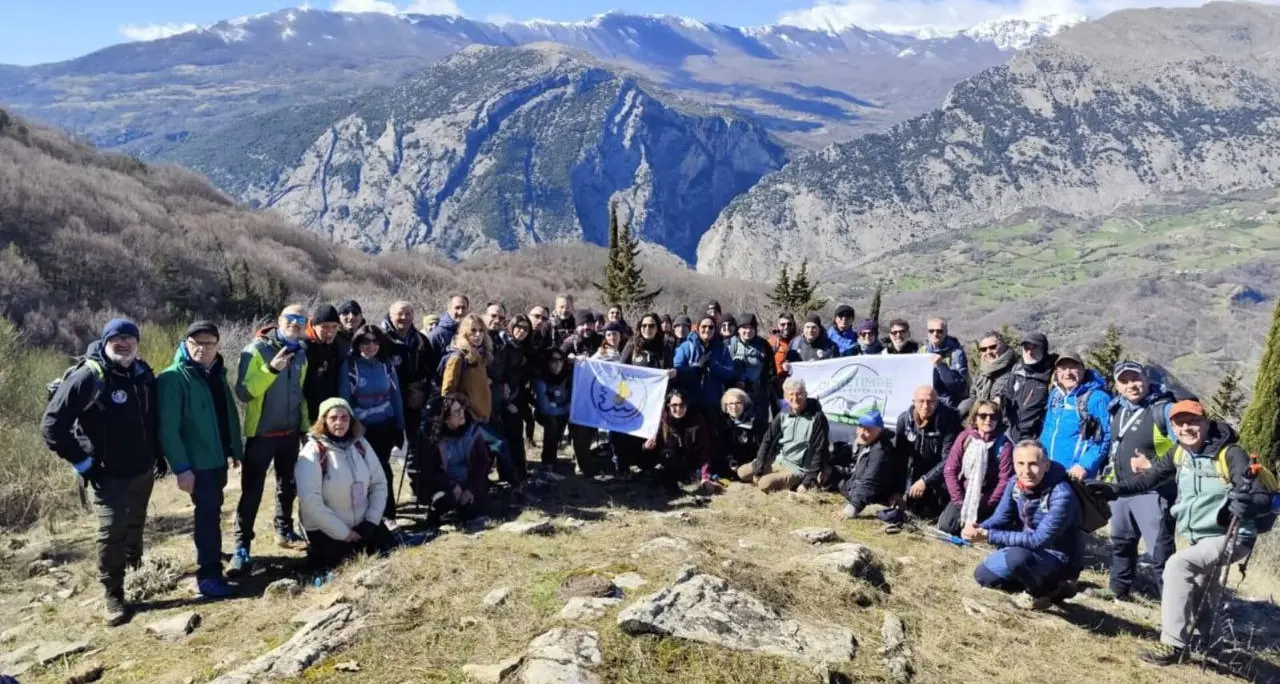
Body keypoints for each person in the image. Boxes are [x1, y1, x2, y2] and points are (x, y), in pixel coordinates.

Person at [1088, 400, 1274, 666]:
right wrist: (1113, 490)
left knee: (1177, 565)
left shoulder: (1230, 454)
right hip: (1201, 537)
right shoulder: (1179, 453)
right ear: (1173, 427)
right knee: (1199, 586)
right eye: (1179, 423)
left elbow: (1261, 498)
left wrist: (1244, 503)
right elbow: (1148, 479)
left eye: (1194, 421)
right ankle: (1212, 646)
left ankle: (1173, 645)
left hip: (1234, 536)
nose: (1187, 427)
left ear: (1206, 423)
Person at [42, 318, 162, 625]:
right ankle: (113, 594)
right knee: (111, 533)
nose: (123, 343)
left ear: (137, 342)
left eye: (129, 338)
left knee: (136, 520)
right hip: (106, 474)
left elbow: (150, 418)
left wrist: (159, 454)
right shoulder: (89, 376)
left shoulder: (143, 373)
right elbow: (52, 426)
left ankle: (135, 567)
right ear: (106, 341)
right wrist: (83, 463)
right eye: (116, 338)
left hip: (142, 468)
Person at [156, 321, 243, 599]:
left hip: (216, 458)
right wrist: (182, 468)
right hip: (197, 463)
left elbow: (225, 413)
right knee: (206, 516)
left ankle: (212, 557)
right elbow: (168, 429)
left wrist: (234, 450)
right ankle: (208, 575)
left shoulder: (216, 373)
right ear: (186, 344)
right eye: (196, 343)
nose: (202, 349)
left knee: (213, 510)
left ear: (217, 346)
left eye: (208, 343)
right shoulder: (173, 378)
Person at [232, 305, 310, 572]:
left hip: (289, 433)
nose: (296, 324)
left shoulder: (301, 354)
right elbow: (243, 392)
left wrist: (305, 426)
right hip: (262, 433)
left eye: (301, 320)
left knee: (287, 486)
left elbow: (299, 394)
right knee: (251, 492)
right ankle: (241, 547)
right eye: (291, 319)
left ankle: (284, 531)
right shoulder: (255, 350)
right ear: (279, 321)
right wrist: (271, 369)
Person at [967, 440, 1083, 610]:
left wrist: (988, 536)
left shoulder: (1062, 494)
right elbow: (1001, 517)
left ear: (1046, 465)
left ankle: (1043, 592)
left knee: (1016, 557)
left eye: (1033, 464)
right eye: (1020, 464)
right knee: (983, 577)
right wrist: (978, 528)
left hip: (1059, 557)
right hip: (1028, 550)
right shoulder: (1015, 483)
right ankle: (1051, 589)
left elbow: (1038, 540)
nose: (1026, 471)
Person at [1101, 361, 1177, 601]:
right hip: (1123, 490)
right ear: (1117, 386)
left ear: (1146, 378)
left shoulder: (1163, 410)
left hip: (1155, 492)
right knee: (1122, 544)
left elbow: (1184, 450)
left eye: (1136, 379)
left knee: (1160, 553)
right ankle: (1118, 593)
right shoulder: (1117, 409)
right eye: (1124, 381)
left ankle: (1173, 607)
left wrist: (1152, 464)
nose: (1131, 385)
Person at [295, 398, 393, 571]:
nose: (339, 422)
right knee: (347, 566)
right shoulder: (312, 452)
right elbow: (311, 502)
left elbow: (379, 483)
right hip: (327, 530)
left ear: (351, 420)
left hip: (363, 525)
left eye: (344, 417)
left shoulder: (361, 444)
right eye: (333, 418)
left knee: (389, 554)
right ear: (323, 420)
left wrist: (371, 520)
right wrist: (344, 533)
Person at [338, 325, 405, 522]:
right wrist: (351, 427)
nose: (371, 346)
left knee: (383, 469)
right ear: (358, 343)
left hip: (385, 424)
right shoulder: (350, 366)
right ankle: (364, 515)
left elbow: (395, 395)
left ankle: (388, 513)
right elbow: (345, 398)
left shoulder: (386, 364)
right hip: (361, 428)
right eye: (365, 341)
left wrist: (400, 425)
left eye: (375, 341)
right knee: (363, 472)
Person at [738, 378, 829, 493]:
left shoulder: (817, 417)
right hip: (778, 459)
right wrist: (759, 468)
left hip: (797, 468)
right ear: (785, 397)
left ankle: (797, 481)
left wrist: (807, 482)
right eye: (791, 394)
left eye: (799, 394)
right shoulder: (783, 414)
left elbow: (819, 450)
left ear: (805, 394)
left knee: (764, 484)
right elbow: (767, 440)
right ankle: (774, 475)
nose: (795, 398)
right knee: (742, 473)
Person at [939, 400, 1013, 536]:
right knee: (947, 528)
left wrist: (988, 502)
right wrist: (958, 499)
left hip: (988, 495)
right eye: (983, 416)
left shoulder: (1005, 445)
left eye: (993, 416)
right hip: (964, 492)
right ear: (975, 417)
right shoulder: (964, 437)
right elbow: (950, 469)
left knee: (979, 533)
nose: (988, 420)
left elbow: (1005, 479)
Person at [617, 313, 678, 473]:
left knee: (651, 435)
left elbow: (669, 374)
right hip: (633, 399)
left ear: (658, 328)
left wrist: (671, 374)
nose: (647, 329)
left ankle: (646, 464)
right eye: (644, 325)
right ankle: (624, 466)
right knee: (629, 434)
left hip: (655, 401)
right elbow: (621, 371)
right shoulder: (632, 345)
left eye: (651, 326)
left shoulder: (665, 348)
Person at [421, 394, 493, 526]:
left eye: (462, 409)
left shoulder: (472, 432)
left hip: (469, 483)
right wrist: (452, 485)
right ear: (447, 419)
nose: (462, 413)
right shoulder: (434, 439)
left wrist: (470, 488)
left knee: (471, 509)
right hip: (446, 485)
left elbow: (482, 463)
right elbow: (429, 470)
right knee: (443, 500)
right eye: (456, 411)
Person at [893, 386, 962, 522]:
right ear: (914, 402)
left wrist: (926, 480)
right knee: (911, 509)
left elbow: (949, 459)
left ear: (937, 402)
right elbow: (900, 459)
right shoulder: (904, 420)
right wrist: (897, 491)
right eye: (921, 401)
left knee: (938, 515)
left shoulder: (948, 420)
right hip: (918, 470)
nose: (926, 406)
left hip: (943, 474)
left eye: (931, 402)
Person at [1040, 351, 1111, 480]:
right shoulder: (1055, 394)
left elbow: (1105, 437)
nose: (1067, 373)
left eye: (1073, 367)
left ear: (1083, 371)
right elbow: (1047, 428)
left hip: (1075, 473)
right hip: (1049, 468)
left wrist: (1084, 465)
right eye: (1062, 368)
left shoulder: (1097, 398)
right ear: (1057, 372)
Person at [383, 300, 434, 465]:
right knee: (385, 449)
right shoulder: (380, 339)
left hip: (414, 402)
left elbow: (431, 370)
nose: (404, 317)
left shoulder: (421, 341)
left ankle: (416, 484)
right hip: (388, 402)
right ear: (391, 315)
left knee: (416, 449)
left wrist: (423, 390)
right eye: (400, 314)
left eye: (408, 314)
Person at [641, 389, 716, 492]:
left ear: (687, 405)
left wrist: (705, 475)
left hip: (689, 461)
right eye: (674, 405)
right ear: (668, 405)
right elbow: (647, 449)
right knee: (667, 454)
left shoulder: (696, 420)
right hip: (666, 460)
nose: (678, 409)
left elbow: (705, 448)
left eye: (682, 405)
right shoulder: (659, 419)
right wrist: (646, 447)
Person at [833, 411, 897, 520]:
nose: (862, 433)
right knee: (829, 470)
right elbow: (855, 466)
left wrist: (852, 508)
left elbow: (869, 482)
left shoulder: (880, 451)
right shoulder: (868, 441)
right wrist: (855, 447)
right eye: (860, 428)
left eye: (867, 430)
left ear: (879, 431)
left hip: (872, 497)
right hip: (854, 486)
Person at [673, 315, 736, 410]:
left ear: (715, 330)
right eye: (704, 326)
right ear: (698, 328)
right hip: (689, 402)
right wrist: (696, 368)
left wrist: (714, 365)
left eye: (711, 327)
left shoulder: (722, 349)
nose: (707, 330)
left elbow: (730, 373)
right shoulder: (686, 347)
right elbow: (676, 371)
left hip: (713, 403)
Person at [1000, 332, 1054, 441]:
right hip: (1010, 434)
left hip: (1034, 439)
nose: (1029, 352)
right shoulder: (1017, 369)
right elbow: (1007, 392)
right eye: (1026, 348)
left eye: (1034, 348)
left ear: (1044, 350)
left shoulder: (1052, 375)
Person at [959, 331, 1016, 417]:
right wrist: (956, 414)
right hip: (980, 418)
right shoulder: (982, 370)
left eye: (993, 347)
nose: (988, 352)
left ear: (1004, 346)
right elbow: (973, 397)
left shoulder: (1015, 369)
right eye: (983, 349)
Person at [304, 304, 344, 424]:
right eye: (324, 327)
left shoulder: (335, 345)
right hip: (309, 415)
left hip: (331, 412)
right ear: (314, 326)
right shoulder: (305, 347)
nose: (330, 332)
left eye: (334, 327)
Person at [727, 314, 775, 413]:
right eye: (744, 327)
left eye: (751, 328)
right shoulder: (729, 344)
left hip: (758, 394)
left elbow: (771, 370)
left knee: (760, 425)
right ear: (738, 329)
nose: (748, 331)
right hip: (736, 395)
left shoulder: (763, 344)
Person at [533, 349, 573, 469]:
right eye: (553, 360)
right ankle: (548, 461)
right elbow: (545, 408)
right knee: (552, 424)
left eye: (560, 360)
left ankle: (556, 456)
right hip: (544, 412)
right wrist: (566, 409)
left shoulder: (566, 376)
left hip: (562, 410)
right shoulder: (540, 379)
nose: (558, 364)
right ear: (547, 362)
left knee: (561, 425)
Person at [922, 317, 969, 410]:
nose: (935, 334)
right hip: (926, 402)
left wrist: (941, 366)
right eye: (931, 331)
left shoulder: (956, 353)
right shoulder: (922, 351)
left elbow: (958, 385)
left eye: (939, 331)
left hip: (948, 403)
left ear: (946, 332)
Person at [719, 388, 767, 474]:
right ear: (725, 406)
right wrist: (730, 460)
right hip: (732, 466)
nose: (734, 407)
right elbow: (722, 448)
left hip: (755, 463)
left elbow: (763, 447)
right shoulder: (723, 425)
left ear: (744, 405)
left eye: (738, 403)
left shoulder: (757, 423)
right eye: (730, 403)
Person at [768, 313, 796, 396]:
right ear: (778, 326)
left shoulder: (799, 341)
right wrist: (781, 368)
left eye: (789, 324)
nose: (786, 327)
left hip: (795, 385)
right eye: (783, 324)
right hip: (778, 386)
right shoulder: (772, 342)